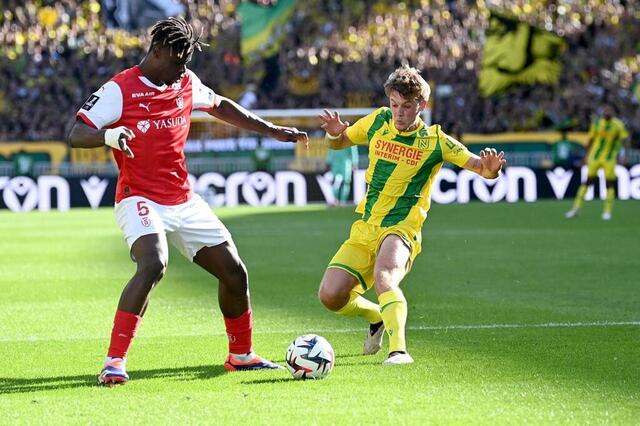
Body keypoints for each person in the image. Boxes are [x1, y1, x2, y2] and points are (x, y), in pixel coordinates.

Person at [67, 17, 308, 386]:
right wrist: (110, 136)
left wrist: (271, 129)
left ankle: (241, 355)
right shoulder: (120, 89)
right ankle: (114, 362)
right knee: (153, 264)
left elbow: (222, 106)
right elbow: (76, 132)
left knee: (234, 272)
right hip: (139, 197)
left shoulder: (185, 81)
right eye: (178, 61)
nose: (182, 70)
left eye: (186, 64)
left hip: (183, 200)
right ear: (157, 50)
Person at [317, 65, 505, 365]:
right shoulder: (378, 121)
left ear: (422, 105)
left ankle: (399, 350)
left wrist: (491, 170)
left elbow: (479, 167)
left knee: (384, 278)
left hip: (402, 227)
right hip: (366, 225)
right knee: (330, 296)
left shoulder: (437, 141)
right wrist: (335, 134)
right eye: (394, 105)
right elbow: (341, 142)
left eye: (406, 106)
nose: (399, 112)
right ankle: (377, 316)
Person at [565, 105, 629, 220]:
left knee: (609, 184)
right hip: (595, 157)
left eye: (609, 110)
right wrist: (585, 156)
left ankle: (607, 211)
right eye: (605, 110)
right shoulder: (597, 124)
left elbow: (623, 141)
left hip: (609, 158)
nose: (607, 112)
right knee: (587, 182)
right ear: (603, 112)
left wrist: (623, 155)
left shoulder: (618, 125)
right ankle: (576, 208)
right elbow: (591, 139)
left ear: (613, 112)